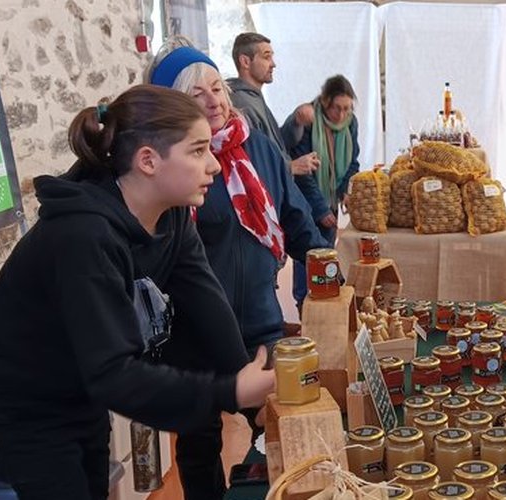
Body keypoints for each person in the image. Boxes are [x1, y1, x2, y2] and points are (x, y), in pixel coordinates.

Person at [0, 85, 278, 500]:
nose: (215, 167)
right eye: (198, 151)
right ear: (148, 160)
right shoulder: (84, 235)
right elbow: (113, 374)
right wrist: (230, 391)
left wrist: (249, 393)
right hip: (27, 396)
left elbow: (205, 299)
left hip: (80, 381)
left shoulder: (173, 218)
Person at [146, 40, 330, 499]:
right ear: (172, 109)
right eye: (195, 95)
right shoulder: (173, 167)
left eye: (216, 87)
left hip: (259, 321)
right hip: (194, 333)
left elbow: (293, 216)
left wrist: (327, 269)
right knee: (200, 443)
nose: (213, 101)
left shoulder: (260, 148)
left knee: (279, 427)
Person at [281, 75, 361, 311]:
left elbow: (353, 162)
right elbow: (304, 172)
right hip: (306, 201)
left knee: (327, 252)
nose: (342, 115)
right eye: (337, 108)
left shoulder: (351, 123)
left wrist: (346, 190)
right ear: (326, 102)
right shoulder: (309, 119)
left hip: (331, 198)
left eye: (347, 108)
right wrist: (320, 209)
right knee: (307, 255)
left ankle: (324, 306)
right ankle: (303, 307)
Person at [227, 32, 322, 177]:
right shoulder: (242, 104)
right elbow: (251, 162)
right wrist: (290, 167)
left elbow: (273, 145)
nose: (273, 64)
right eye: (266, 57)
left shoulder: (254, 98)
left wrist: (296, 121)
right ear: (245, 62)